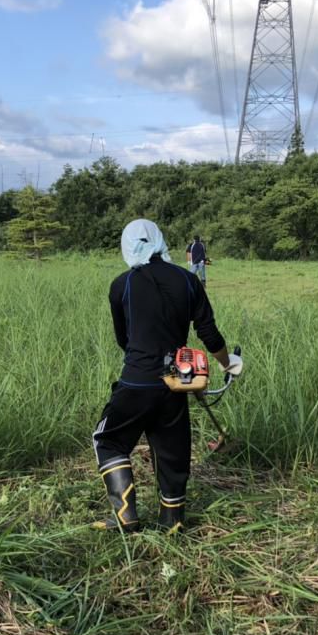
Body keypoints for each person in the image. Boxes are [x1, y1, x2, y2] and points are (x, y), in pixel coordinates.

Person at [91, 219, 242, 534]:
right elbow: (210, 335)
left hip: (136, 379)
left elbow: (124, 339)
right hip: (176, 379)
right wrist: (229, 364)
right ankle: (172, 522)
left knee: (108, 439)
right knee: (171, 448)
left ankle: (125, 516)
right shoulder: (188, 281)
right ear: (160, 241)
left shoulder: (122, 285)